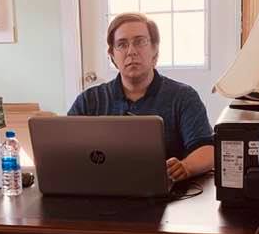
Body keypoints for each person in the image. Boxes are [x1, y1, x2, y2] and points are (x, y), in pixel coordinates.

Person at [68, 12, 214, 182]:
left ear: (154, 49)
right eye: (122, 44)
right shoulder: (89, 101)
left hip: (167, 193)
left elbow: (207, 149)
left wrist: (186, 167)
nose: (131, 51)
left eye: (140, 42)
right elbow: (65, 149)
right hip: (100, 189)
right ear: (112, 55)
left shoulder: (183, 97)